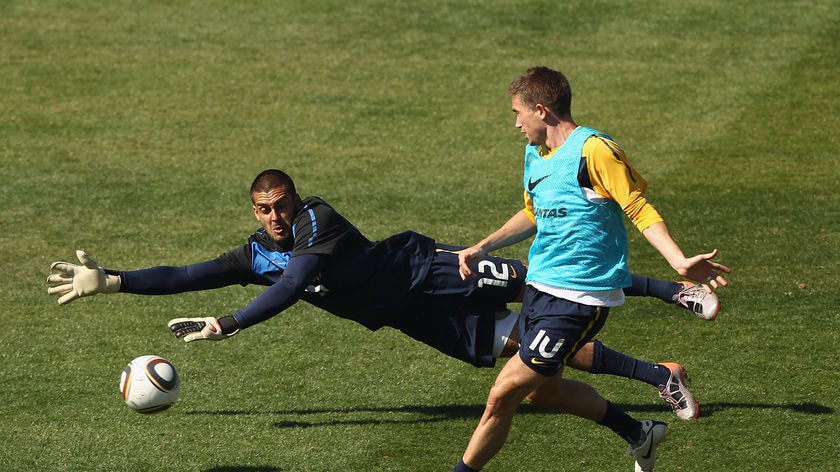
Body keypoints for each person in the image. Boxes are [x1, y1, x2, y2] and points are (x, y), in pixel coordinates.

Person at [46, 170, 717, 422]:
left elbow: (290, 286)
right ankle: (659, 375)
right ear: (253, 210)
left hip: (427, 269)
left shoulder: (319, 221)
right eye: (263, 209)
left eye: (280, 204)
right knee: (531, 350)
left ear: (294, 199)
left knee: (548, 284)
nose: (276, 217)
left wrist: (230, 324)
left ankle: (673, 290)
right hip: (409, 317)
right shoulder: (258, 250)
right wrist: (114, 281)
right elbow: (190, 274)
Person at [453, 67, 730, 472]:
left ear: (541, 110)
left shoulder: (595, 150)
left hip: (577, 300)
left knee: (502, 395)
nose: (515, 123)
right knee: (542, 393)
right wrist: (483, 245)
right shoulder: (535, 153)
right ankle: (640, 434)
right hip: (539, 290)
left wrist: (678, 259)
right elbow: (534, 212)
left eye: (518, 113)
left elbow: (636, 205)